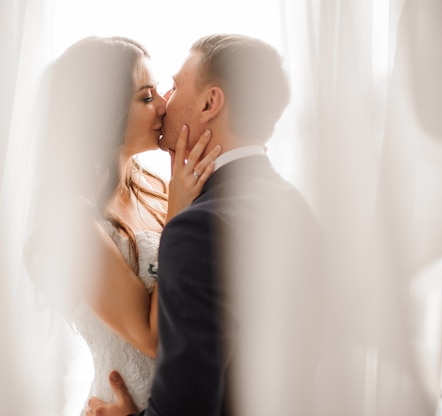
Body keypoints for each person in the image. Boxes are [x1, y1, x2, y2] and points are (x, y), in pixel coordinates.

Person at [86, 34, 326, 416]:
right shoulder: (295, 205)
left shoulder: (196, 226)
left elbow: (187, 404)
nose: (165, 101)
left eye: (176, 85)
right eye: (149, 95)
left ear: (210, 102)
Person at [25, 36, 220, 415]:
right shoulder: (69, 221)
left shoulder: (159, 189)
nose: (164, 106)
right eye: (146, 98)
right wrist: (179, 214)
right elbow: (152, 338)